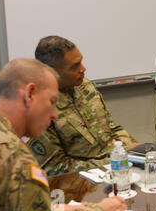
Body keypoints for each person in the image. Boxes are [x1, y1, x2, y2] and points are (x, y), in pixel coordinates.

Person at [0, 58, 127, 211]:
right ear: (29, 93)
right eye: (51, 102)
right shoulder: (12, 154)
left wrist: (53, 209)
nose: (54, 114)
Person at [27, 36, 138, 176]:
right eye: (75, 66)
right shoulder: (40, 106)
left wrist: (134, 150)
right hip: (80, 183)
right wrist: (109, 162)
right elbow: (54, 168)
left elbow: (111, 128)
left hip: (116, 168)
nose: (83, 69)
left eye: (81, 62)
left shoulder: (85, 86)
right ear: (51, 71)